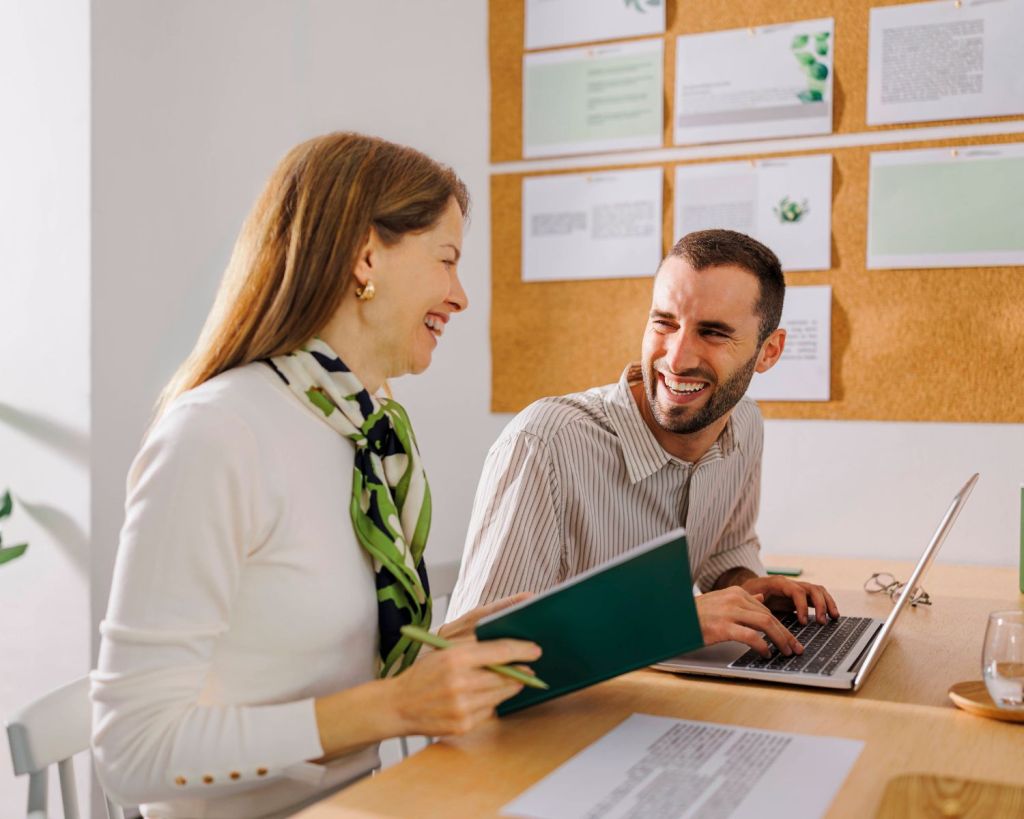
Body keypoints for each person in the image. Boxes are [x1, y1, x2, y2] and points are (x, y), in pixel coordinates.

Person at [90, 133, 541, 819]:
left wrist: (434, 662)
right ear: (366, 257)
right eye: (446, 260)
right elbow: (130, 750)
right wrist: (392, 705)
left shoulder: (366, 430)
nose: (460, 297)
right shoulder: (217, 434)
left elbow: (305, 671)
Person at [448, 229, 839, 657]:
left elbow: (725, 550)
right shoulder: (544, 445)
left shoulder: (744, 424)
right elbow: (476, 652)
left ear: (768, 352)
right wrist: (670, 619)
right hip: (552, 718)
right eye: (664, 323)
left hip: (657, 696)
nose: (676, 358)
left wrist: (747, 589)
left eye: (712, 333)